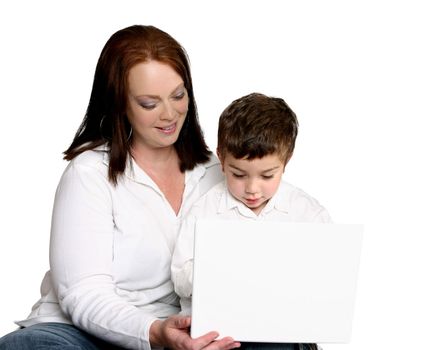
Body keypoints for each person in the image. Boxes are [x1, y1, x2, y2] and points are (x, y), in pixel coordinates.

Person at [0, 25, 240, 350]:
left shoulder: (218, 172)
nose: (170, 114)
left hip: (184, 331)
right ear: (120, 104)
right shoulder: (89, 174)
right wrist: (154, 333)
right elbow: (83, 294)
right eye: (148, 103)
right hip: (82, 333)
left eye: (178, 95)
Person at [171, 92, 332, 350]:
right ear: (221, 159)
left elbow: (325, 279)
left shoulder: (307, 213)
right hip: (219, 334)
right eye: (239, 174)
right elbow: (180, 276)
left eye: (267, 176)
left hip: (284, 333)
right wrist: (224, 273)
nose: (252, 189)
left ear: (286, 161)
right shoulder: (205, 210)